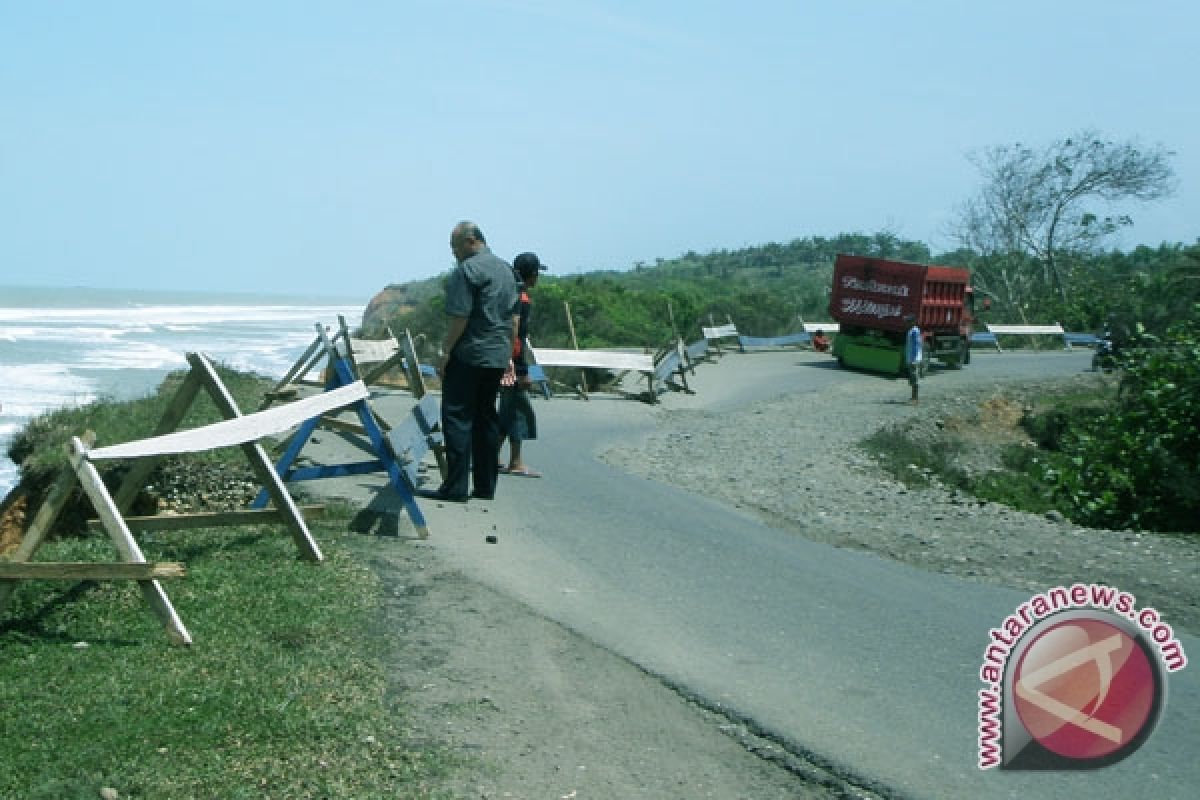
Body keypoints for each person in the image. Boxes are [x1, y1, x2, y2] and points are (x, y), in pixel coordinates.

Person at [423, 221, 518, 503]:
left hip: (470, 353)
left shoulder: (468, 270)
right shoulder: (506, 269)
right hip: (497, 355)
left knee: (457, 418)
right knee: (486, 418)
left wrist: (445, 351)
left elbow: (460, 317)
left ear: (471, 241)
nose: (453, 253)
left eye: (454, 246)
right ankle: (485, 487)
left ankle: (455, 487)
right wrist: (510, 357)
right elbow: (514, 319)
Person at [498, 252, 546, 477]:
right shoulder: (522, 300)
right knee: (518, 410)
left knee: (508, 410)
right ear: (533, 275)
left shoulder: (508, 293)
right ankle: (514, 462)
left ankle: (492, 457)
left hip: (501, 360)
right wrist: (522, 370)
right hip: (511, 365)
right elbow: (516, 337)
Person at [905, 315, 923, 405]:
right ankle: (913, 397)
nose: (906, 323)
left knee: (915, 378)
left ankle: (915, 399)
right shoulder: (911, 330)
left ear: (912, 322)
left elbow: (916, 345)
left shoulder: (915, 331)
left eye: (908, 322)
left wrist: (914, 359)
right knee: (912, 378)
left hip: (914, 359)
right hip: (911, 358)